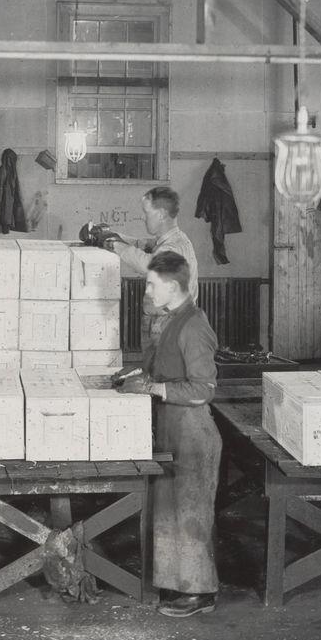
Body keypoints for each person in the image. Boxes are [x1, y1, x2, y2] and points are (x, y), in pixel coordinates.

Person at [120, 251, 221, 618]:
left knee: (191, 512)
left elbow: (203, 389)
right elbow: (159, 368)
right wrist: (134, 376)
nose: (146, 291)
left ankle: (201, 593)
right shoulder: (172, 320)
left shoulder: (194, 325)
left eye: (151, 284)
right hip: (171, 429)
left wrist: (154, 389)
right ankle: (181, 586)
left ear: (173, 286)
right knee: (171, 510)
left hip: (193, 432)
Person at [105, 186, 198, 345]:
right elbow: (142, 244)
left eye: (146, 212)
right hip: (167, 321)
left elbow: (148, 264)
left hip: (166, 323)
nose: (143, 218)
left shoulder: (173, 247)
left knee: (162, 368)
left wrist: (115, 246)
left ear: (161, 214)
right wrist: (113, 235)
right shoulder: (173, 240)